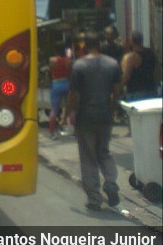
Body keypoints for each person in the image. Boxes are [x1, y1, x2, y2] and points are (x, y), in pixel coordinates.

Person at [65, 32, 122, 211]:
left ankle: (94, 198)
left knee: (88, 156)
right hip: (104, 114)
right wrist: (112, 111)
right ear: (100, 44)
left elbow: (73, 94)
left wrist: (67, 113)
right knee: (104, 152)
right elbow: (117, 92)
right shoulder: (113, 64)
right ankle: (111, 184)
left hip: (85, 116)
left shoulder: (79, 65)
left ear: (84, 46)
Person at [121, 30, 159, 102]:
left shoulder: (130, 57)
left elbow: (126, 77)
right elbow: (157, 73)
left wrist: (118, 88)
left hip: (135, 93)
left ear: (131, 41)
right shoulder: (152, 54)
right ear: (142, 40)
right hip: (151, 91)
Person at [48, 42, 71, 139]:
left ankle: (52, 132)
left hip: (56, 84)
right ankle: (76, 131)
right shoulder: (68, 61)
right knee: (71, 108)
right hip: (67, 83)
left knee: (54, 109)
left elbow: (50, 70)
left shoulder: (52, 60)